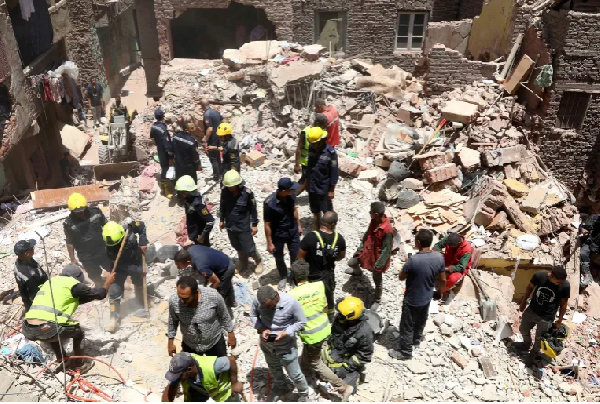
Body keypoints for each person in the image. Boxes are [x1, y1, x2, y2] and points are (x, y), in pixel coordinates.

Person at [22, 264, 115, 371]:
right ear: (78, 277)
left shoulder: (50, 283)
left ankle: (64, 361)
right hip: (47, 328)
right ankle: (80, 365)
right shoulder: (73, 284)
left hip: (28, 328)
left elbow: (76, 299)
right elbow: (100, 294)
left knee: (52, 331)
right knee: (78, 332)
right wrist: (108, 282)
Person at [288, 261, 353, 401]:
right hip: (324, 327)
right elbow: (325, 307)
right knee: (310, 354)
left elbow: (292, 319)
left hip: (312, 335)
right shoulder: (318, 286)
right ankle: (304, 370)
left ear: (293, 276)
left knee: (316, 362)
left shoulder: (292, 295)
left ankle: (342, 387)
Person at [389, 229, 446, 360]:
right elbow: (443, 279)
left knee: (407, 325)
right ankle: (416, 340)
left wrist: (406, 265)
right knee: (420, 320)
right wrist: (439, 292)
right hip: (427, 297)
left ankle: (405, 352)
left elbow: (401, 277)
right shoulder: (439, 257)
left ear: (418, 242)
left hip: (412, 299)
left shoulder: (413, 261)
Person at [250, 286, 309, 401]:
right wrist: (262, 328)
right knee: (273, 366)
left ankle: (303, 393)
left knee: (295, 373)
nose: (268, 309)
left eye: (270, 306)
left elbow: (302, 322)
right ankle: (281, 387)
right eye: (265, 307)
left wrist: (285, 333)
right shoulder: (259, 301)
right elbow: (253, 315)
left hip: (285, 342)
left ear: (276, 296)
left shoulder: (291, 302)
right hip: (268, 341)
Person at [168, 276, 236, 359]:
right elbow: (172, 321)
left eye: (186, 298)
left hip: (214, 342)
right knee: (193, 370)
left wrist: (231, 334)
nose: (182, 301)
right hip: (190, 345)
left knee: (220, 369)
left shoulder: (213, 296)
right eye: (180, 297)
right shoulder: (174, 301)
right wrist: (170, 342)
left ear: (196, 293)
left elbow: (224, 315)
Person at [515, 266, 570, 363]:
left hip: (546, 318)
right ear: (551, 276)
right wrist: (523, 302)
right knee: (523, 329)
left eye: (561, 282)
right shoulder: (539, 275)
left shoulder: (565, 286)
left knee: (539, 339)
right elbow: (529, 288)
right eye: (558, 282)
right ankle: (526, 343)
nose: (560, 284)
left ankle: (533, 354)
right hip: (531, 310)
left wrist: (559, 320)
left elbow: (563, 304)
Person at [102, 220, 148, 332]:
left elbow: (141, 225)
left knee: (139, 282)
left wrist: (143, 242)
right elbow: (124, 267)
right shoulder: (110, 249)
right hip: (120, 266)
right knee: (114, 289)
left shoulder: (129, 228)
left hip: (136, 258)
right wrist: (139, 270)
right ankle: (114, 319)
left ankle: (141, 305)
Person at [298, 211, 346, 319]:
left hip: (312, 275)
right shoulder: (339, 239)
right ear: (333, 224)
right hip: (328, 275)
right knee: (329, 296)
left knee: (313, 298)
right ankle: (330, 316)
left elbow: (300, 258)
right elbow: (341, 257)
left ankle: (314, 315)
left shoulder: (310, 237)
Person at [347, 202, 394, 311]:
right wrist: (360, 249)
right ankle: (357, 272)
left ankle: (377, 300)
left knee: (377, 281)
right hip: (367, 252)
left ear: (376, 214)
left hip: (376, 258)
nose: (370, 214)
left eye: (371, 212)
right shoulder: (374, 221)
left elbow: (387, 250)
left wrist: (378, 265)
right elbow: (367, 235)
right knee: (352, 262)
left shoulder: (387, 230)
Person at [321, 296, 374, 391]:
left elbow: (364, 355)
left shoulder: (364, 332)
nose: (339, 315)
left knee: (343, 387)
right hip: (335, 350)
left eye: (341, 314)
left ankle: (354, 375)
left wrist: (345, 368)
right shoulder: (342, 318)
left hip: (347, 360)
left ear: (351, 317)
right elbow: (334, 333)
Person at [220, 170, 263, 274]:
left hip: (243, 226)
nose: (230, 188)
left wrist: (254, 224)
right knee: (237, 246)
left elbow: (253, 209)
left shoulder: (247, 193)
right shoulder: (225, 192)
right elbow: (222, 206)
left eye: (232, 186)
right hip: (230, 225)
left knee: (249, 248)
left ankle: (258, 261)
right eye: (228, 186)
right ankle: (243, 263)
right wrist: (221, 220)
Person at [63, 193, 111, 287]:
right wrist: (73, 258)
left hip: (102, 248)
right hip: (86, 255)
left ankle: (118, 286)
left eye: (82, 210)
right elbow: (69, 241)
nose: (80, 213)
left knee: (112, 268)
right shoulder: (68, 223)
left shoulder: (96, 212)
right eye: (77, 212)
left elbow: (107, 226)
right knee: (94, 274)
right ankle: (101, 290)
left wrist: (112, 243)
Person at [264, 178, 302, 290]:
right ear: (283, 191)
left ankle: (295, 278)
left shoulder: (291, 196)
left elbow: (294, 209)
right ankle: (283, 276)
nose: (293, 191)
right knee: (279, 257)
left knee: (295, 255)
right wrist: (269, 243)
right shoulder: (270, 203)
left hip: (292, 230)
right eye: (291, 189)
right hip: (278, 234)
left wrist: (299, 225)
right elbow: (267, 224)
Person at [162, 353, 243, 402]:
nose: (177, 378)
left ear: (189, 369)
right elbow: (171, 388)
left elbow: (231, 360)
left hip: (224, 392)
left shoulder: (212, 366)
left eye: (179, 375)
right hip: (201, 388)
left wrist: (235, 383)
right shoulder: (182, 367)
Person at [306, 127, 338, 229]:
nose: (313, 145)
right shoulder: (311, 149)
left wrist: (332, 189)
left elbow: (334, 171)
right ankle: (316, 225)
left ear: (321, 141)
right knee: (314, 207)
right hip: (312, 184)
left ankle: (329, 228)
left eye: (315, 143)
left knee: (326, 209)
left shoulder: (331, 152)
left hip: (324, 186)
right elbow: (309, 166)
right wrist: (307, 181)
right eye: (312, 143)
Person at [293, 115, 328, 196]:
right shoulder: (305, 132)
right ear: (318, 123)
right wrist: (296, 164)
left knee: (310, 180)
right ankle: (290, 197)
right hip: (307, 162)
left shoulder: (322, 132)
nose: (324, 127)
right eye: (323, 125)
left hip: (316, 162)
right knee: (304, 182)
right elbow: (299, 149)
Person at [175, 175, 214, 247]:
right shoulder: (188, 199)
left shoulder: (198, 204)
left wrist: (202, 236)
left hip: (199, 235)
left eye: (184, 192)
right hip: (193, 234)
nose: (183, 194)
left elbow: (210, 221)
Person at [433, 232, 473, 298]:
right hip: (448, 259)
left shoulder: (466, 250)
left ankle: (442, 291)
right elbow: (437, 246)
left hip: (457, 266)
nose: (449, 247)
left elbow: (461, 267)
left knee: (452, 279)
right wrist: (435, 254)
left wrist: (449, 269)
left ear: (458, 244)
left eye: (451, 247)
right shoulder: (449, 239)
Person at [13, 239, 48, 311]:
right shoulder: (30, 277)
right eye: (31, 248)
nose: (33, 249)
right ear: (27, 253)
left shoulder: (21, 261)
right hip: (38, 303)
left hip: (29, 295)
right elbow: (34, 298)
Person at [150, 109, 174, 199]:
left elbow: (152, 137)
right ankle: (165, 190)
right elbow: (166, 144)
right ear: (163, 117)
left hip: (159, 149)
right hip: (164, 151)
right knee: (166, 168)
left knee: (165, 168)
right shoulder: (163, 128)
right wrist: (171, 155)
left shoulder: (153, 126)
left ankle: (167, 185)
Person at [201, 99, 224, 182]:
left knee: (213, 158)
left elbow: (210, 129)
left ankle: (216, 176)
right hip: (219, 136)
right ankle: (220, 172)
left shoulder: (206, 114)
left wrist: (205, 139)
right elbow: (222, 120)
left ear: (202, 106)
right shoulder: (216, 111)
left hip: (212, 138)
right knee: (217, 155)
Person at [578, 214, 600, 287]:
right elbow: (581, 226)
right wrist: (583, 230)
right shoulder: (594, 218)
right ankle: (587, 275)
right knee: (583, 253)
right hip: (590, 243)